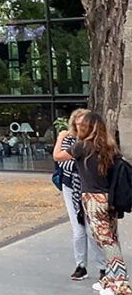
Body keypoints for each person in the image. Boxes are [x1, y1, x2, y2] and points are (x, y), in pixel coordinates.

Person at [55, 111, 132, 295]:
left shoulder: (81, 147)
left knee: (106, 241)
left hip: (92, 200)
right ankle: (111, 278)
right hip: (109, 198)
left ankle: (121, 283)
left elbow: (57, 157)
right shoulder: (109, 146)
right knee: (110, 237)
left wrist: (61, 137)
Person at [53, 108, 104, 281]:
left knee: (94, 230)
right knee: (79, 230)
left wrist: (78, 162)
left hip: (93, 189)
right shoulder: (71, 141)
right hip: (72, 188)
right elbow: (63, 163)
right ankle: (81, 265)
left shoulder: (95, 142)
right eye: (78, 123)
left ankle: (104, 267)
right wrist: (61, 138)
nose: (81, 126)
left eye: (84, 123)